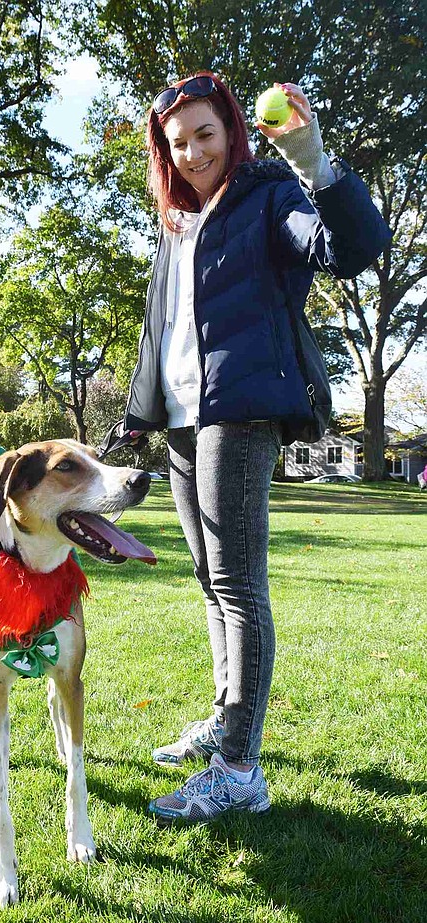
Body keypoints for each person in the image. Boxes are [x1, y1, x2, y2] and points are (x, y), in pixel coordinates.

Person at [123, 73, 391, 824]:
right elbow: (164, 331)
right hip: (183, 419)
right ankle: (225, 715)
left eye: (204, 134)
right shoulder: (177, 222)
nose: (193, 152)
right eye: (177, 144)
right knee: (211, 580)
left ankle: (238, 767)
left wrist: (313, 158)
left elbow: (352, 248)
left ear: (232, 131)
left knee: (239, 586)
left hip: (240, 413)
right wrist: (141, 416)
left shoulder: (272, 195)